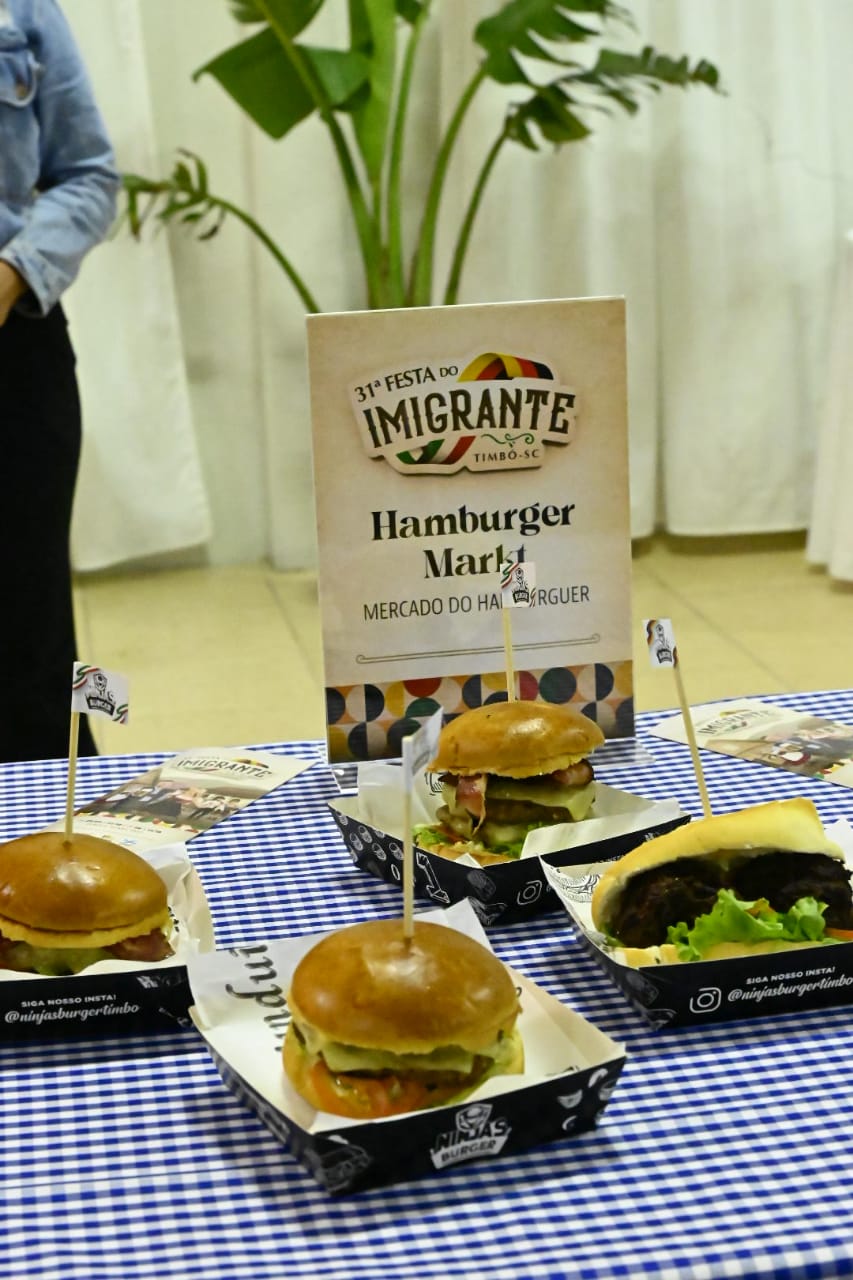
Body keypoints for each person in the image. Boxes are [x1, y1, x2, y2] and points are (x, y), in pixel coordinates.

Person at [0, 0, 119, 761]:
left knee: (27, 641)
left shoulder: (23, 9)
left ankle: (46, 829)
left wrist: (13, 271)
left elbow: (88, 176)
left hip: (15, 351)